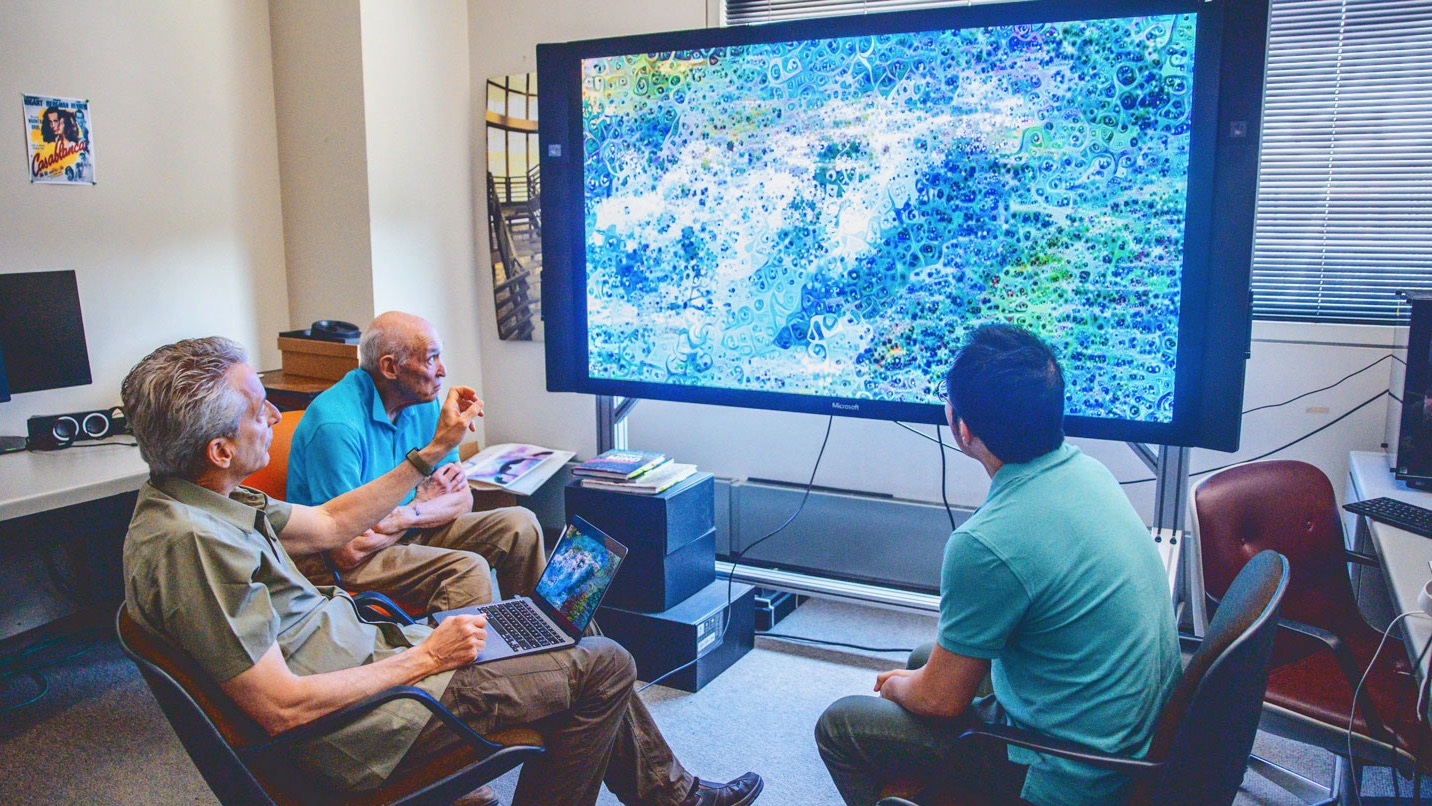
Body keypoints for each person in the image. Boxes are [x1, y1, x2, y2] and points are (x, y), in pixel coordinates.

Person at [120, 336, 763, 806]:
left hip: (374, 658)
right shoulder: (195, 546)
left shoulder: (200, 496)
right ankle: (675, 798)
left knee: (566, 651)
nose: (272, 414)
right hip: (370, 722)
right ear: (220, 447)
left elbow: (330, 525)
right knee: (605, 665)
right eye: (258, 407)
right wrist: (428, 658)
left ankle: (675, 797)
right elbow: (282, 708)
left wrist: (431, 455)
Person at [815, 324, 1180, 806]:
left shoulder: (985, 544)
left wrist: (900, 689)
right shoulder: (1090, 472)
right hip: (1135, 745)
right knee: (927, 657)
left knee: (841, 725)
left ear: (962, 430)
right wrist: (915, 682)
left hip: (1070, 774)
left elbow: (940, 701)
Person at [286, 311, 544, 614]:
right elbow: (349, 549)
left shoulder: (423, 401)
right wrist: (417, 507)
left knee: (521, 524)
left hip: (404, 529)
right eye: (431, 358)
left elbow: (462, 499)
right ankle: (463, 661)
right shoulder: (335, 425)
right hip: (339, 562)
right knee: (467, 570)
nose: (443, 371)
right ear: (390, 367)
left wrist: (408, 516)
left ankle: (553, 644)